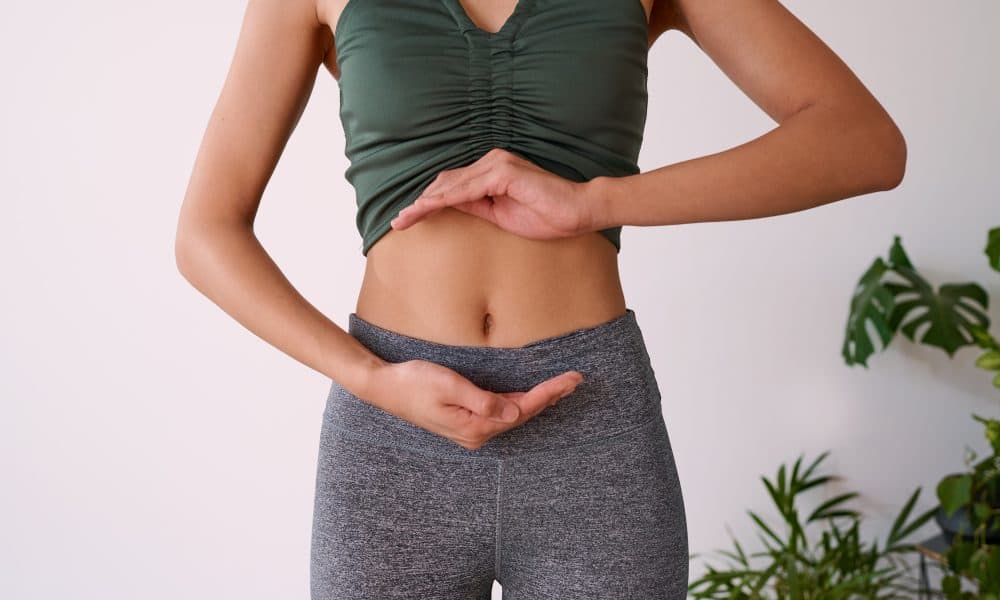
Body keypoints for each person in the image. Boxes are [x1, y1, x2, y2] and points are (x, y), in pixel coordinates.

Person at [174, 0, 906, 597]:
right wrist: (370, 380)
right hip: (392, 436)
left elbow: (864, 142)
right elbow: (206, 231)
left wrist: (597, 202)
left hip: (593, 424)